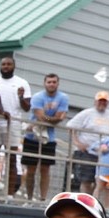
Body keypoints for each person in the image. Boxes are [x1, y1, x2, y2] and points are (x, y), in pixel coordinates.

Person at [21, 72, 69, 201]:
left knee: (45, 169)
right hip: (32, 136)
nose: (51, 84)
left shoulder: (63, 98)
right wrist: (54, 118)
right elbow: (40, 116)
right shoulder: (38, 97)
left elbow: (59, 116)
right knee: (30, 169)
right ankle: (29, 198)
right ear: (44, 83)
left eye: (54, 82)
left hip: (50, 138)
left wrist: (50, 118)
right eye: (49, 82)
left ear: (58, 83)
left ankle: (42, 199)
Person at [0, 55, 30, 197]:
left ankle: (10, 195)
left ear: (14, 66)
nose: (6, 66)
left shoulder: (22, 83)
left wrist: (21, 97)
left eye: (8, 64)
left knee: (11, 159)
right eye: (3, 64)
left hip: (13, 124)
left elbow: (27, 108)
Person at [64, 92, 109, 194]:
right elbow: (70, 126)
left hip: (105, 155)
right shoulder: (87, 113)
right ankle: (85, 200)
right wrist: (77, 143)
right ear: (95, 101)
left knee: (100, 182)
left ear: (108, 103)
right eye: (100, 101)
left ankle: (92, 201)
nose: (102, 103)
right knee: (86, 180)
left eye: (104, 101)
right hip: (87, 152)